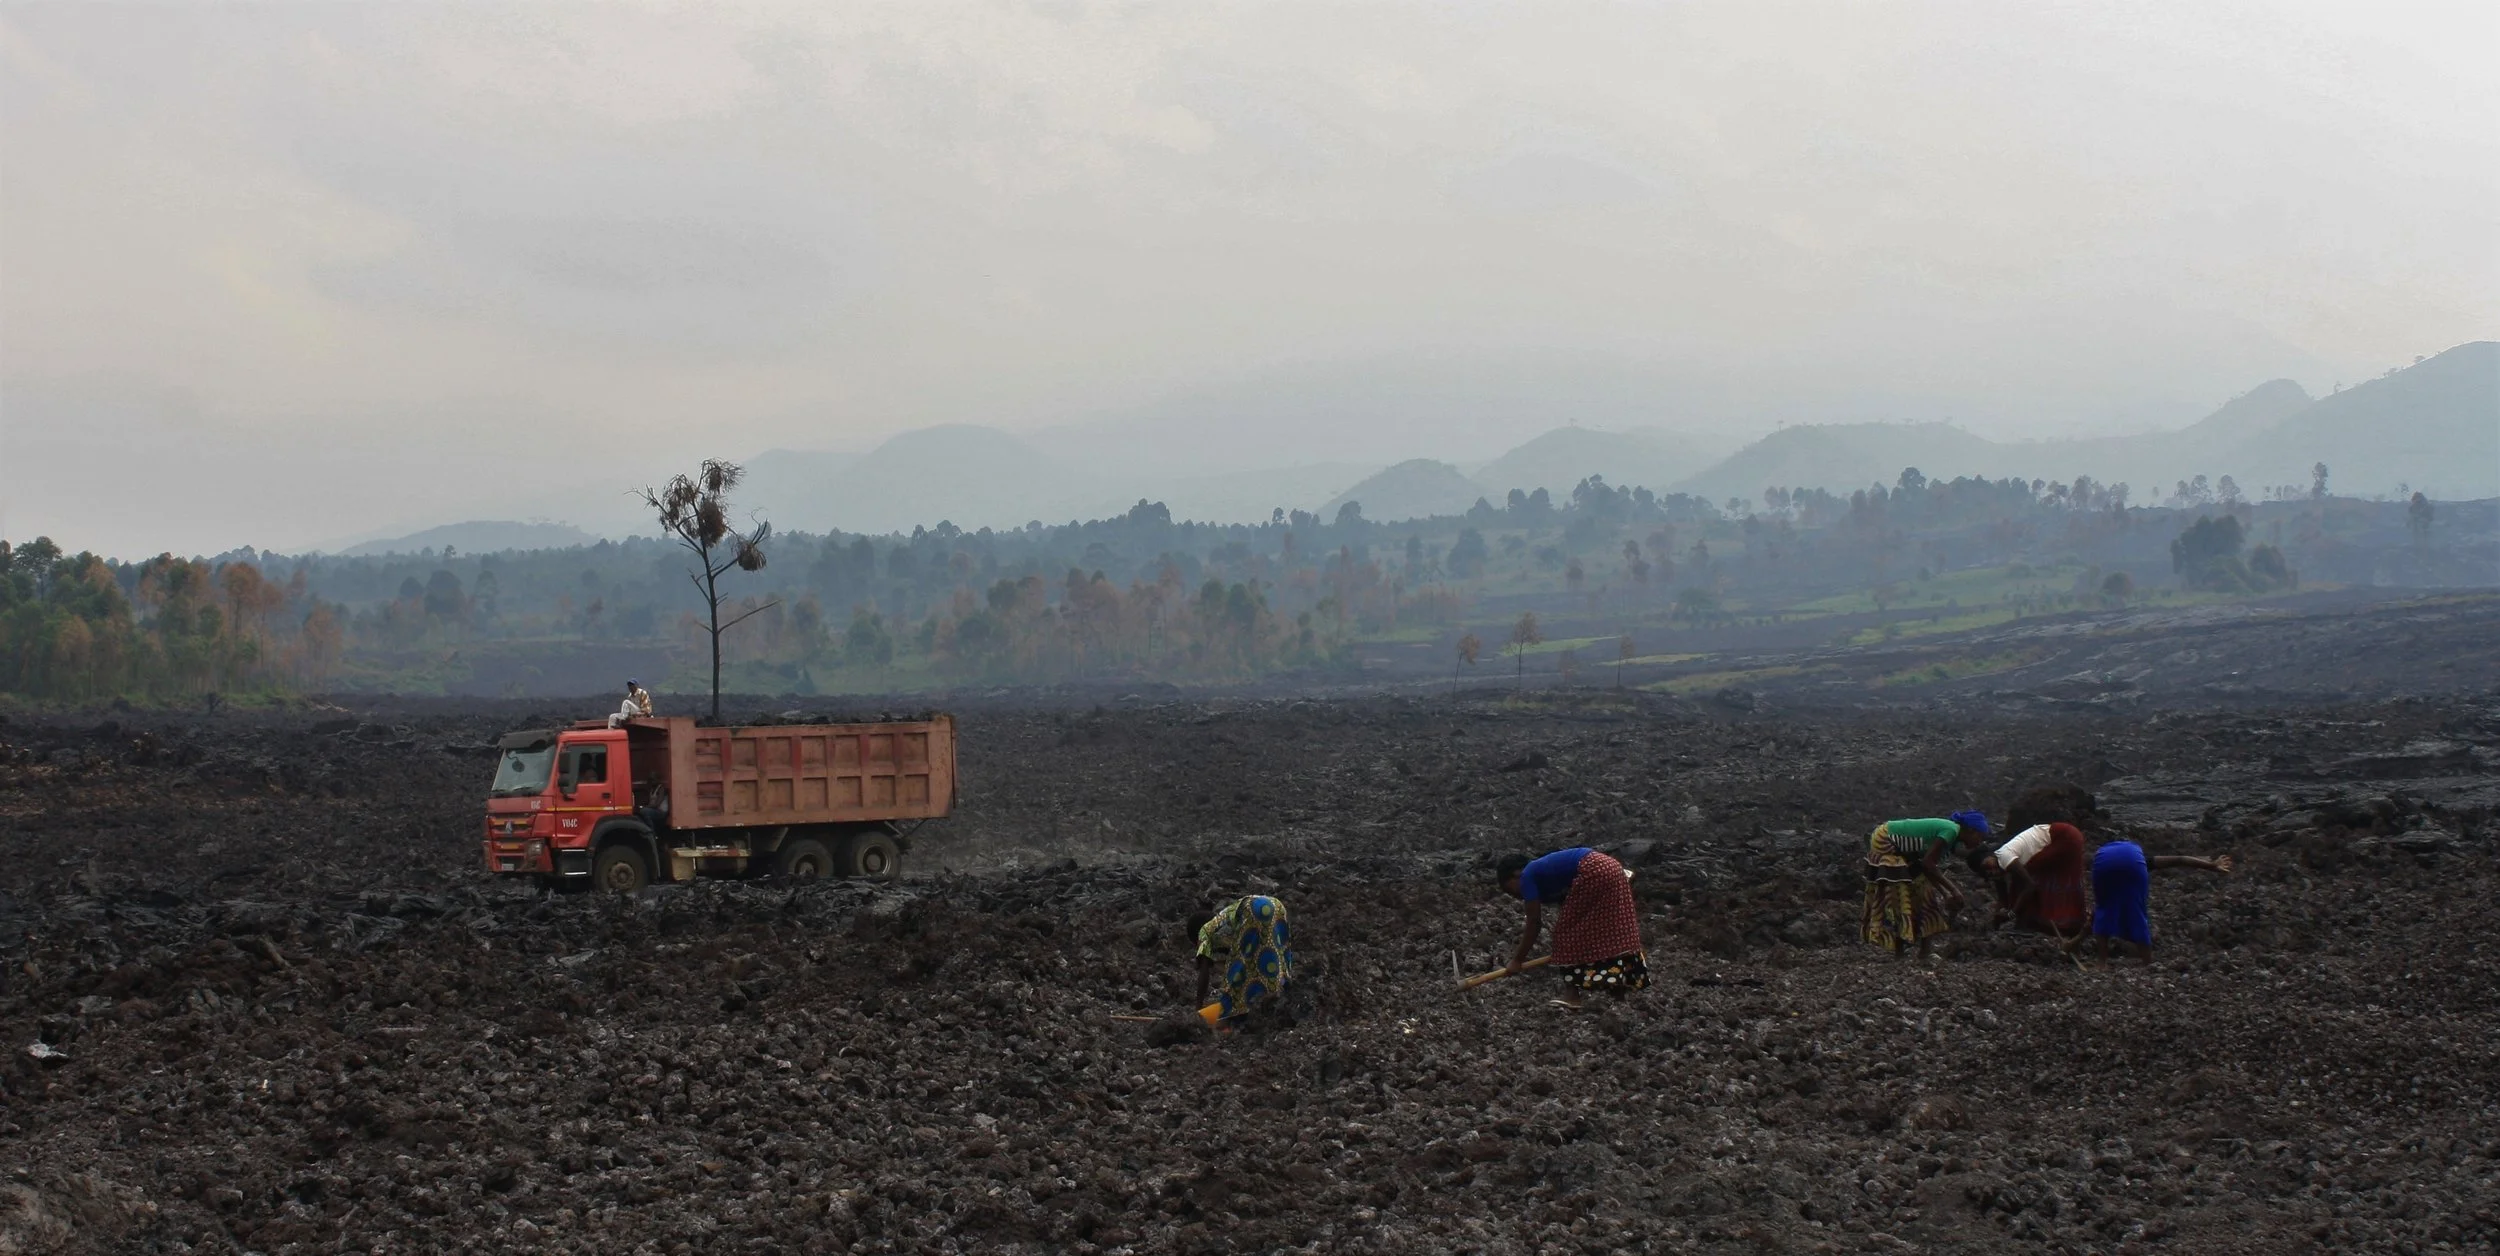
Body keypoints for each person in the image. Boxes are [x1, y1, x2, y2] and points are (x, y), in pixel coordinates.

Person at [1497, 847, 1645, 1008]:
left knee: (1564, 934)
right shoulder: (1546, 873)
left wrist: (1517, 960)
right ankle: (1618, 990)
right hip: (1612, 867)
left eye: (1509, 889)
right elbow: (1568, 901)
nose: (1514, 896)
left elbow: (1534, 922)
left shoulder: (1527, 875)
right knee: (1606, 931)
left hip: (1594, 870)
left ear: (1516, 875)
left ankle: (1572, 995)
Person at [1862, 811, 1990, 961]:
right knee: (1900, 895)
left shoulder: (1951, 840)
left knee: (1925, 893)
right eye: (1980, 837)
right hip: (1886, 840)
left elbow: (1927, 868)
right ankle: (1899, 952)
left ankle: (1925, 952)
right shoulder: (1951, 830)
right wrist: (1953, 890)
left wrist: (1946, 894)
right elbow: (1928, 864)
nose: (1979, 842)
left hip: (1905, 851)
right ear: (1971, 830)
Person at [2090, 840, 2233, 964]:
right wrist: (2211, 865)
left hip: (2102, 861)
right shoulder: (2142, 860)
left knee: (2104, 909)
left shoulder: (2107, 855)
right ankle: (2147, 962)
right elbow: (2180, 859)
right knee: (2137, 913)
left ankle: (2101, 962)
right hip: (2128, 858)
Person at [1979, 821, 2090, 945]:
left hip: (2064, 837)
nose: (1992, 872)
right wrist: (1996, 918)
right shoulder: (2000, 863)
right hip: (2067, 834)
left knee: (2028, 880)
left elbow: (2030, 886)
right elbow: (2003, 897)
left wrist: (2011, 914)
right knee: (2030, 879)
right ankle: (2039, 922)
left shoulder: (2005, 857)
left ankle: (2036, 923)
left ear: (1992, 857)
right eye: (1989, 873)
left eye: (1990, 868)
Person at [1189, 895, 1293, 1023]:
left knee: (1236, 980)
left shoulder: (1205, 930)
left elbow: (1204, 971)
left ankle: (1232, 1012)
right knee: (1272, 955)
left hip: (1252, 909)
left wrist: (1198, 1007)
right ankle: (1285, 996)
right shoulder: (1225, 921)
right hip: (1276, 905)